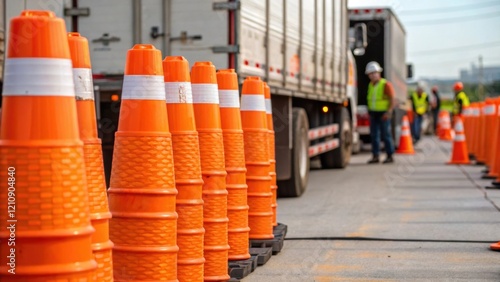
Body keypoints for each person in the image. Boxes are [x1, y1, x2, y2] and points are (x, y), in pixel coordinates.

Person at [365, 61, 395, 164]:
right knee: (374, 136)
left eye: (375, 73)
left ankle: (390, 155)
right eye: (371, 73)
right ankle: (375, 156)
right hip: (374, 114)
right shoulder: (371, 85)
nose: (373, 75)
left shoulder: (385, 84)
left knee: (386, 135)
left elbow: (392, 99)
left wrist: (389, 112)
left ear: (379, 73)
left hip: (383, 114)